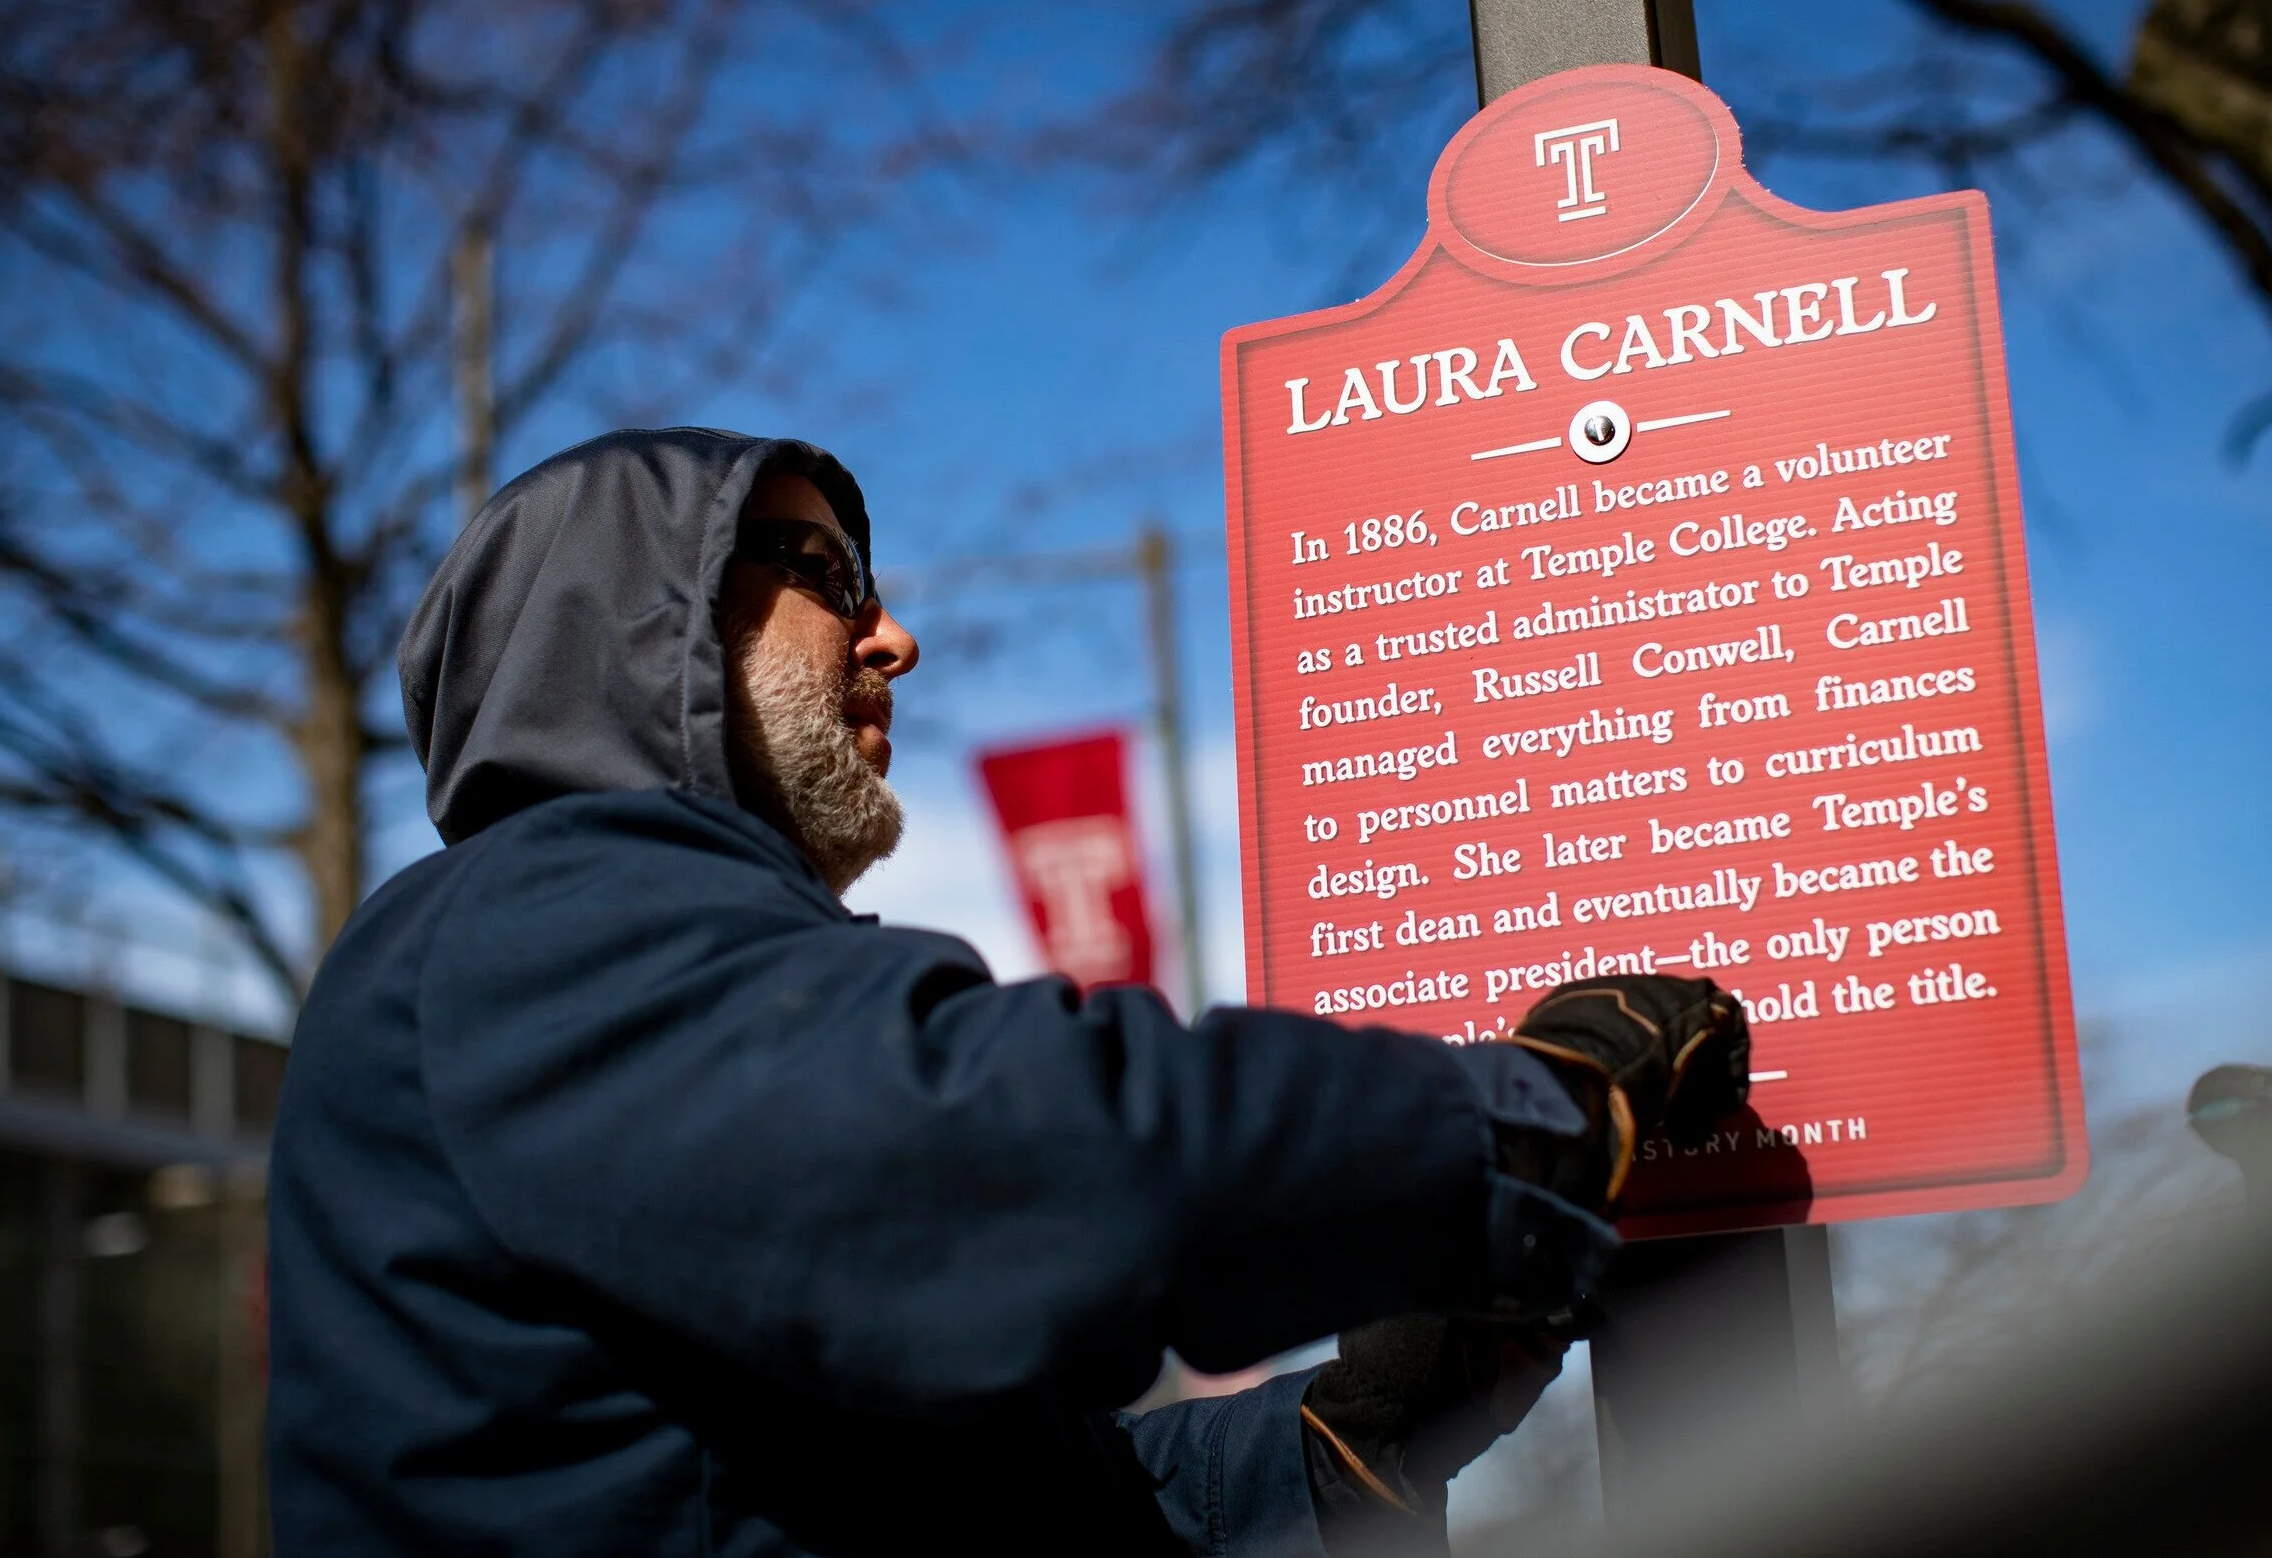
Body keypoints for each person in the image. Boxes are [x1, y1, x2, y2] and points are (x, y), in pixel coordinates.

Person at [267, 426, 1749, 1556]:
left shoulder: (642, 991)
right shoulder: (532, 923)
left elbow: (1023, 1496)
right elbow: (1024, 1149)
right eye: (826, 575)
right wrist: (1523, 1124)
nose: (892, 635)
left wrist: (1342, 1441)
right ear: (644, 627)